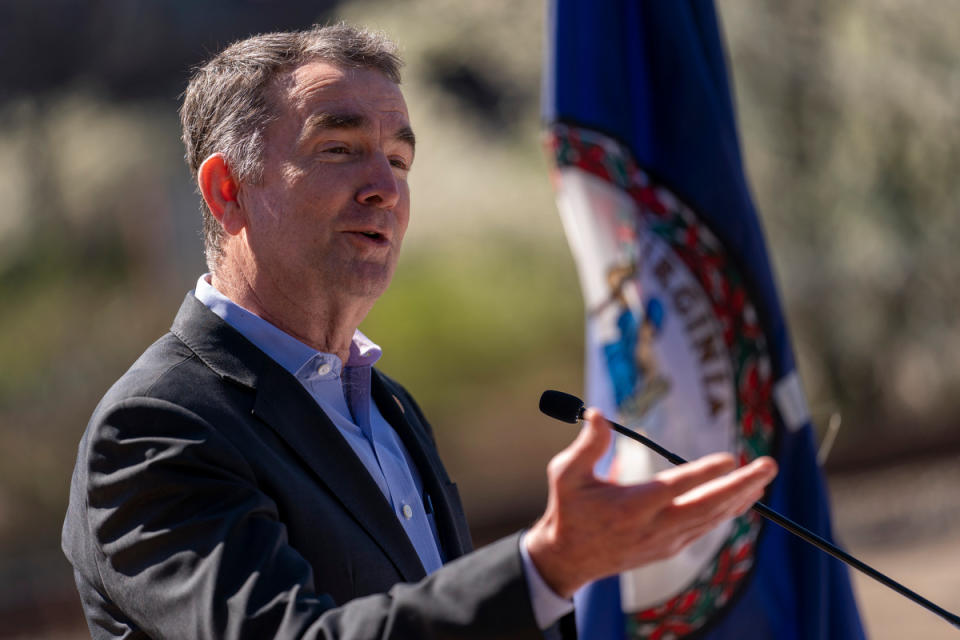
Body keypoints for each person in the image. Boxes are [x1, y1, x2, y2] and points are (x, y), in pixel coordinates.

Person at [62, 23, 777, 639]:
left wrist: (596, 585)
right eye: (339, 149)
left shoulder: (388, 407)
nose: (386, 187)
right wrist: (545, 565)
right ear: (228, 191)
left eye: (399, 159)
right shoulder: (157, 428)